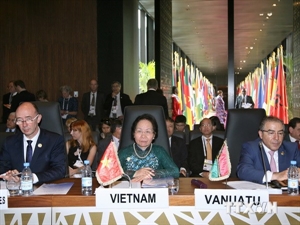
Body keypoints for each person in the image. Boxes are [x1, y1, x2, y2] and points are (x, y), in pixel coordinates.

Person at [0, 102, 66, 184]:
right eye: (20, 120)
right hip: (17, 191)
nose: (24, 125)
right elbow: (2, 167)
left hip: (45, 191)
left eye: (28, 119)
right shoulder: (9, 142)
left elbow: (60, 170)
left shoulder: (54, 140)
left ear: (38, 118)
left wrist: (31, 178)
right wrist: (8, 175)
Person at [237, 116, 300, 184]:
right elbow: (243, 171)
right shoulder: (251, 148)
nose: (276, 138)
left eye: (280, 133)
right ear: (261, 134)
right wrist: (275, 176)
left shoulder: (291, 148)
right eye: (271, 133)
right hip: (261, 192)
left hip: (286, 193)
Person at [118, 114, 179, 181]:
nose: (143, 136)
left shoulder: (159, 151)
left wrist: (149, 174)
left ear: (154, 135)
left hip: (154, 190)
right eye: (139, 131)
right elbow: (110, 172)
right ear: (133, 134)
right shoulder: (124, 152)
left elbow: (175, 171)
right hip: (130, 190)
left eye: (148, 131)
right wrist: (135, 173)